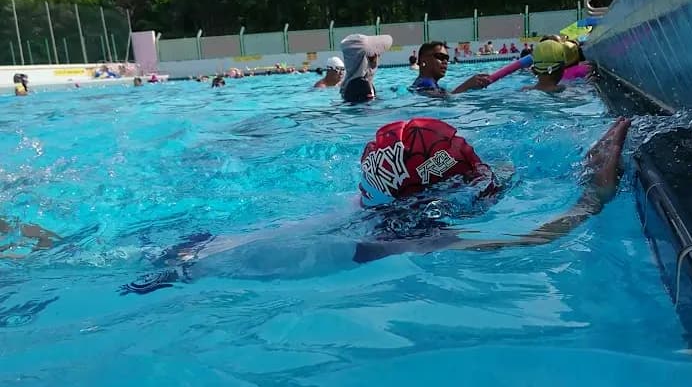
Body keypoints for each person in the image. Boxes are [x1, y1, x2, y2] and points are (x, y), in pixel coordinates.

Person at [121, 117, 630, 294]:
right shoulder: (408, 237)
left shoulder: (366, 206)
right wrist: (592, 198)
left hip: (193, 249)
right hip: (182, 277)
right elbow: (526, 240)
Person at [409, 41, 490, 96]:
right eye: (440, 57)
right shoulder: (426, 83)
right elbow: (446, 102)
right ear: (424, 60)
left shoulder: (422, 82)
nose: (445, 61)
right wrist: (467, 86)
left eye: (446, 58)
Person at [340, 34, 393, 103]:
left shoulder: (346, 87)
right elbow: (369, 109)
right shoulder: (363, 85)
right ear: (371, 58)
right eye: (377, 55)